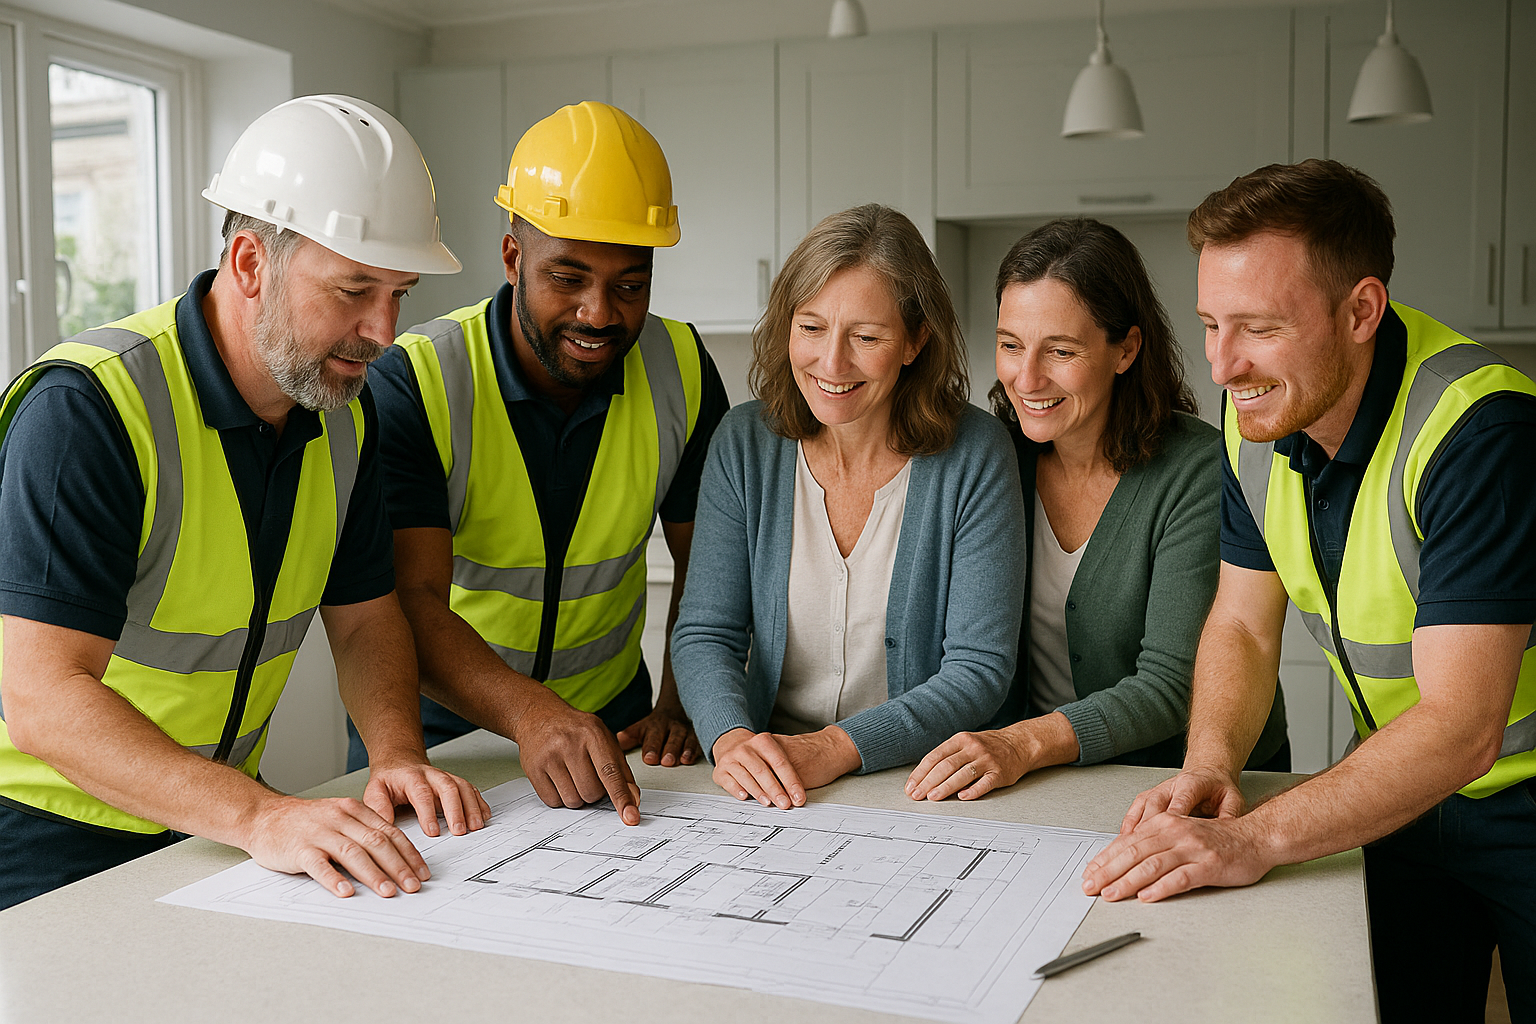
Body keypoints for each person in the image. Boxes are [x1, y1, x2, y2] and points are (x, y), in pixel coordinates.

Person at [0, 95, 490, 911]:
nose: (383, 329)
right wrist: (261, 815)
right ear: (251, 263)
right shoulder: (88, 412)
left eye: (399, 292)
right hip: (46, 835)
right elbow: (41, 698)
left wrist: (397, 753)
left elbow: (366, 619)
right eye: (354, 289)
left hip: (209, 825)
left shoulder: (346, 414)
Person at [1082, 160, 1536, 1021]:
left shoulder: (1480, 432)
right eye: (1211, 324)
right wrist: (1210, 765)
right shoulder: (1258, 415)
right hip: (1399, 788)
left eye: (1258, 327)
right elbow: (1244, 627)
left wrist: (1253, 838)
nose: (1222, 365)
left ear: (1361, 311)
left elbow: (1463, 725)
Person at [363, 100, 729, 827]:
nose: (600, 313)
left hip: (617, 727)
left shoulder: (683, 369)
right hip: (447, 737)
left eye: (630, 284)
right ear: (512, 259)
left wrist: (680, 703)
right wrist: (531, 713)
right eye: (568, 277)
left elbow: (711, 566)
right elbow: (409, 599)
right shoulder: (420, 381)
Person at [906, 219, 1289, 803]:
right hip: (1045, 781)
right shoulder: (996, 463)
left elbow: (1170, 686)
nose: (1027, 378)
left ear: (1126, 350)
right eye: (1010, 345)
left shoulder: (1195, 471)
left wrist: (1022, 743)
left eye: (1061, 351)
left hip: (1190, 785)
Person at [672, 203, 1025, 809]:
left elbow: (979, 668)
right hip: (773, 776)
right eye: (811, 328)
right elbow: (706, 632)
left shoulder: (976, 453)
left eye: (866, 337)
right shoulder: (744, 443)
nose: (832, 363)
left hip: (919, 784)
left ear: (915, 341)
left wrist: (834, 748)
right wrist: (732, 741)